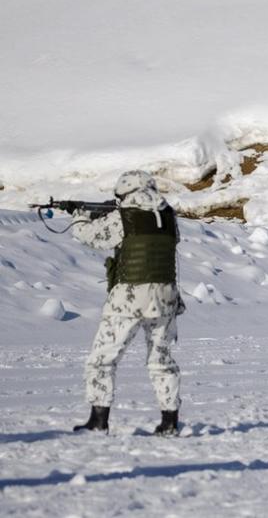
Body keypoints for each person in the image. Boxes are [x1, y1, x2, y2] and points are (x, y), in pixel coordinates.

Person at [70, 170, 184, 435]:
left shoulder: (124, 216)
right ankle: (169, 422)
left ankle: (98, 421)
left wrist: (80, 216)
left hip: (129, 298)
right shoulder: (169, 216)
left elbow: (90, 237)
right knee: (161, 361)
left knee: (102, 358)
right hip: (166, 297)